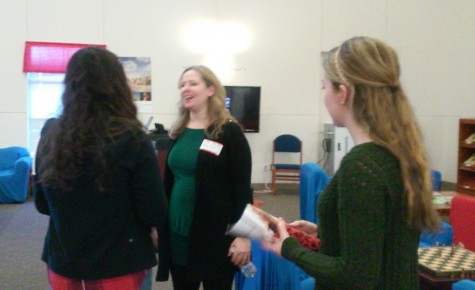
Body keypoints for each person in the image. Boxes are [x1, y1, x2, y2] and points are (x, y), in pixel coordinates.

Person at [262, 36, 440, 289]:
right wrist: (327, 232)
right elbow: (381, 238)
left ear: (343, 93)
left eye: (324, 87)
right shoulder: (398, 153)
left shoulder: (361, 166)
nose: (324, 96)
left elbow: (355, 276)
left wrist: (289, 248)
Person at [34, 46, 168, 290]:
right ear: (117, 85)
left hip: (64, 260)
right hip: (120, 263)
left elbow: (43, 204)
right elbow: (154, 212)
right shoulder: (132, 137)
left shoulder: (50, 133)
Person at [155, 65, 253, 290]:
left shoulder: (228, 132)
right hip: (178, 231)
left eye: (192, 83)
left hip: (214, 236)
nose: (185, 89)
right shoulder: (179, 131)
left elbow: (242, 190)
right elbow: (170, 182)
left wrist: (244, 236)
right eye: (182, 85)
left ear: (210, 89)